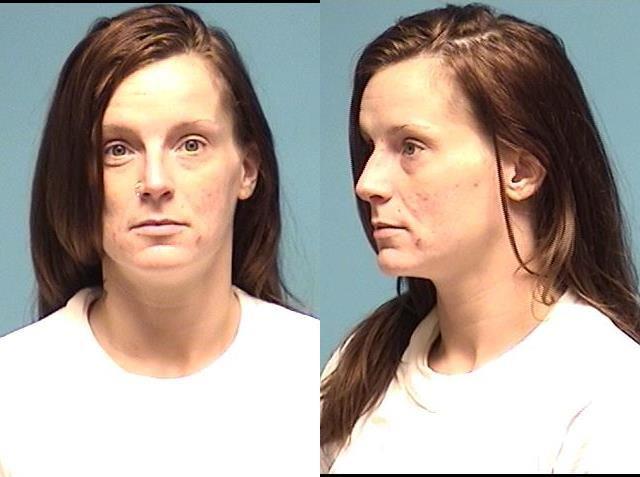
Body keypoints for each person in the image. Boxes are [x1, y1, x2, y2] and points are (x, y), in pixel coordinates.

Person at [321, 3, 640, 474]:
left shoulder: (611, 393)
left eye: (411, 147)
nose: (368, 183)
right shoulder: (361, 365)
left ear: (521, 171)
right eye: (370, 147)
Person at [0, 4, 318, 476]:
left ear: (247, 169)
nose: (154, 182)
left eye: (191, 143)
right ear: (75, 176)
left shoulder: (318, 375)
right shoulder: (12, 391)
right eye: (118, 149)